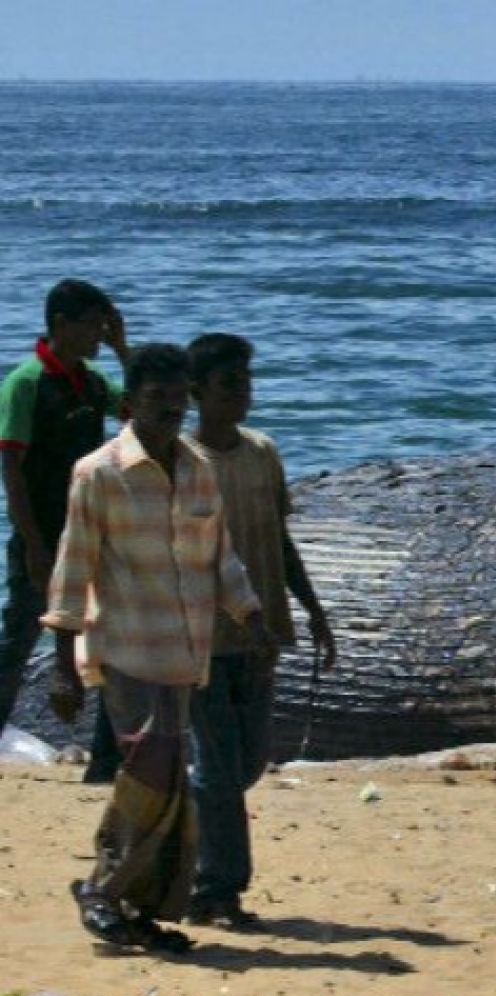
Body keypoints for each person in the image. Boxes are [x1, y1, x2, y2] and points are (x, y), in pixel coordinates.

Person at [42, 343, 272, 954]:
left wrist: (250, 614)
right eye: (156, 399)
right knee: (152, 765)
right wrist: (62, 668)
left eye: (177, 399)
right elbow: (72, 570)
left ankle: (137, 909)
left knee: (169, 783)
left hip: (185, 654)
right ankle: (101, 887)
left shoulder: (198, 469)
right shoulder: (98, 473)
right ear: (128, 404)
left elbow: (220, 555)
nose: (171, 410)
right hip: (125, 649)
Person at [182, 333, 336, 928]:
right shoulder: (182, 461)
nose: (242, 394)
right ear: (196, 392)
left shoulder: (262, 452)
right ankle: (216, 890)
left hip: (262, 631)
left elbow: (279, 538)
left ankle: (185, 835)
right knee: (220, 768)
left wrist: (312, 609)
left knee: (248, 763)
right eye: (229, 384)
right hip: (201, 635)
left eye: (246, 383)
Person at [0, 280, 128, 778]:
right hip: (42, 532)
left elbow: (140, 409)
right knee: (19, 640)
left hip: (92, 531)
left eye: (104, 325)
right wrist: (33, 546)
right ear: (61, 324)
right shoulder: (26, 383)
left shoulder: (92, 382)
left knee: (108, 635)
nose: (99, 334)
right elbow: (12, 471)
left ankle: (106, 757)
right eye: (94, 325)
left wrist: (122, 349)